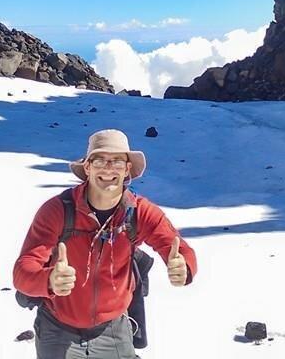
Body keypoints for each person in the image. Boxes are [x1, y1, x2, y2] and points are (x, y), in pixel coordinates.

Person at [14, 129, 198, 359]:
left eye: (117, 161)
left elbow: (179, 249)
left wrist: (184, 267)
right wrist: (48, 280)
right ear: (87, 167)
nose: (108, 168)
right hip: (57, 329)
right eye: (100, 160)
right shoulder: (57, 211)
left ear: (127, 169)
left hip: (113, 329)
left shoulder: (139, 212)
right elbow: (23, 271)